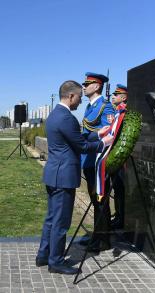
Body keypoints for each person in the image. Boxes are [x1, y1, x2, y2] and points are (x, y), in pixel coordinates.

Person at [36, 80, 113, 275]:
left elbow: (76, 138)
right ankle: (56, 261)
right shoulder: (67, 118)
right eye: (78, 97)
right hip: (64, 177)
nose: (80, 101)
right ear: (70, 96)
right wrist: (104, 142)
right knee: (61, 223)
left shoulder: (55, 115)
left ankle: (43, 255)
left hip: (54, 174)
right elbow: (82, 147)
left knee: (51, 219)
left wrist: (97, 134)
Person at [80, 72, 115, 252]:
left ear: (97, 86)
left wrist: (86, 138)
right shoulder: (89, 107)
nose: (84, 87)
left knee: (101, 200)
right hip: (88, 161)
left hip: (98, 162)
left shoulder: (105, 107)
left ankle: (103, 240)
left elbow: (109, 132)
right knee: (95, 201)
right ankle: (97, 236)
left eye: (87, 84)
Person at [110, 84, 128, 229]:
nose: (113, 96)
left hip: (121, 158)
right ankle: (117, 215)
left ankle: (121, 218)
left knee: (120, 189)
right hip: (114, 156)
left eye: (116, 94)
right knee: (116, 188)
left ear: (123, 97)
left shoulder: (124, 112)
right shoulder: (117, 112)